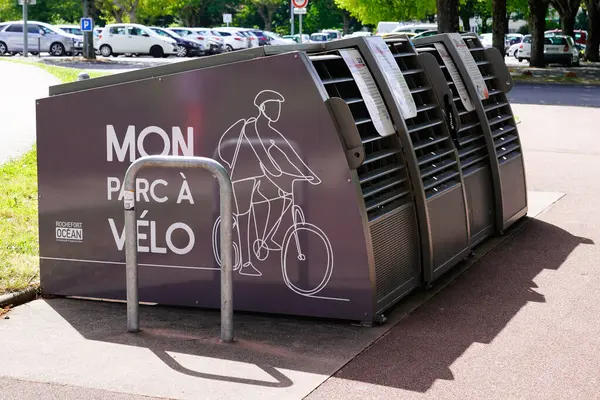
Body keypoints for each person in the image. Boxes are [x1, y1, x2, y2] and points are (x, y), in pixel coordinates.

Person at [217, 90, 320, 276]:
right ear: (263, 108)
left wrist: (308, 173)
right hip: (242, 178)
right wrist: (278, 172)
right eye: (273, 106)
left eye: (278, 106)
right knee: (245, 216)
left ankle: (267, 238)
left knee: (283, 198)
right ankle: (246, 263)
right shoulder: (251, 128)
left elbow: (289, 153)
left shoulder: (270, 130)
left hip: (259, 178)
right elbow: (264, 156)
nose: (277, 110)